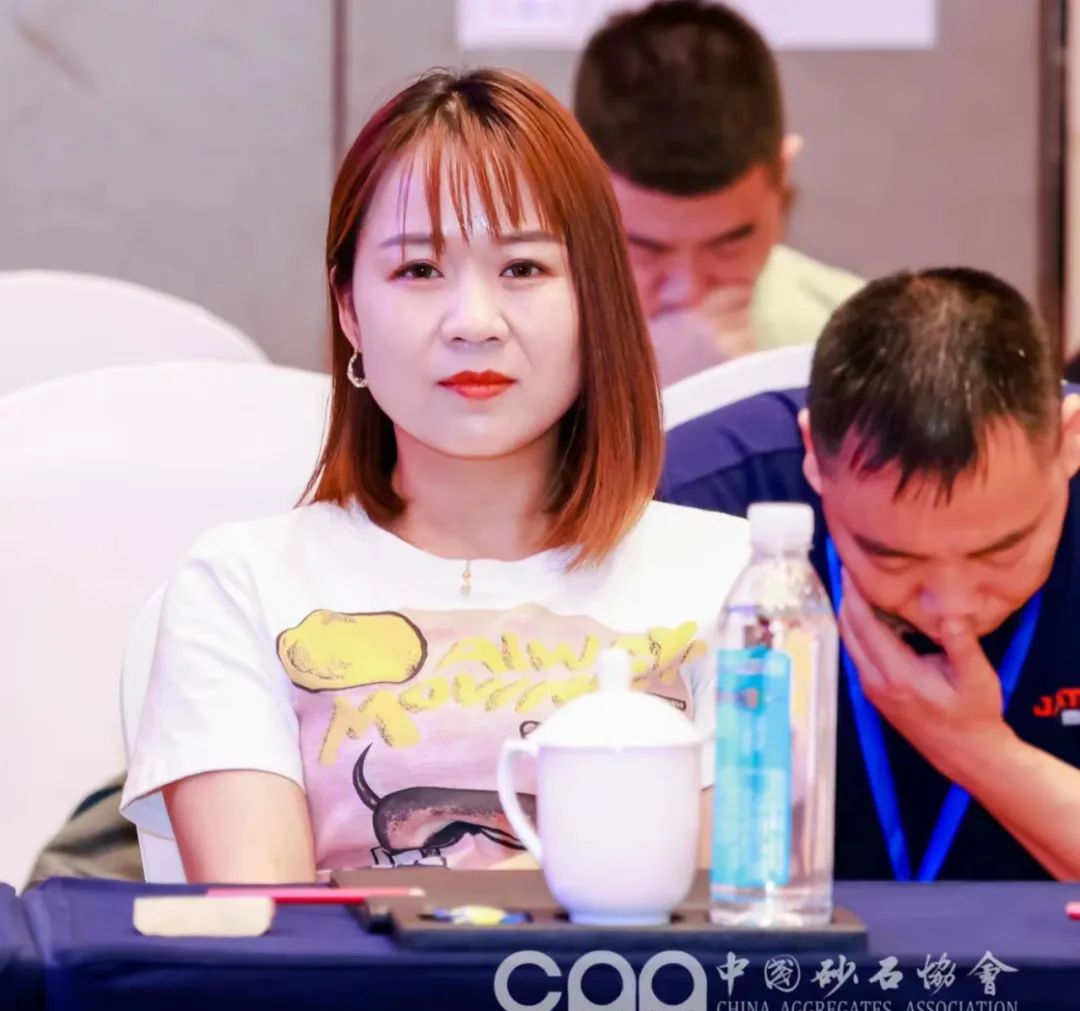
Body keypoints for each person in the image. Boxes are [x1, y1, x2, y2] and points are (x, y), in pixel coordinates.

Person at [107, 68, 749, 883]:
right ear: (349, 308)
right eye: (419, 271)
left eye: (523, 269)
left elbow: (729, 918)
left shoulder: (737, 580)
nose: (474, 323)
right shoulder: (240, 583)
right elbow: (264, 931)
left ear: (596, 298)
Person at [662, 267, 1080, 880]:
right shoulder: (688, 509)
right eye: (893, 558)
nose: (953, 607)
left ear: (1069, 442)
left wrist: (975, 748)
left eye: (1000, 552)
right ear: (814, 457)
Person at [573, 0, 863, 388]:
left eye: (729, 243)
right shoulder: (511, 340)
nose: (688, 292)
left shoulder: (863, 343)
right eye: (644, 248)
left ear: (782, 185)